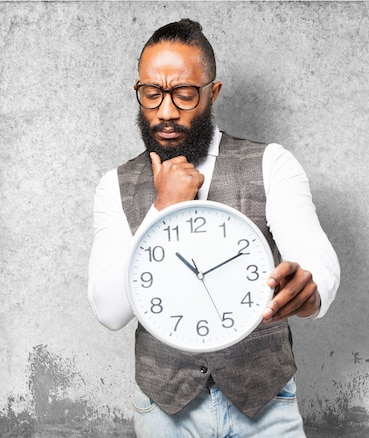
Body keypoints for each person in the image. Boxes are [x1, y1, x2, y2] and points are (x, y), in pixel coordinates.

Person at [87, 18, 340, 437]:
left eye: (184, 94)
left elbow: (312, 251)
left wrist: (312, 288)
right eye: (152, 94)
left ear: (212, 92)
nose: (166, 112)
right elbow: (110, 311)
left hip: (266, 405)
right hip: (164, 409)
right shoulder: (113, 185)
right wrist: (162, 207)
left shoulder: (271, 163)